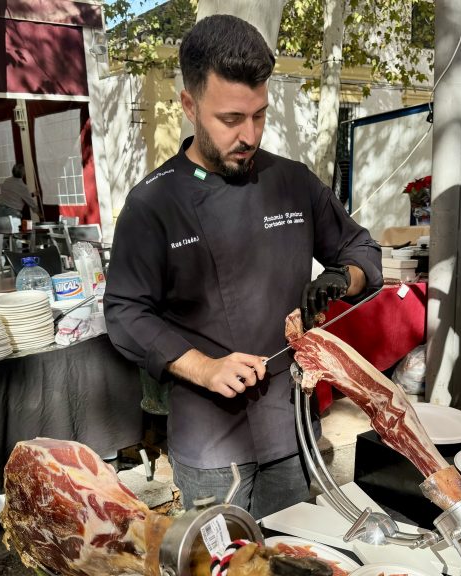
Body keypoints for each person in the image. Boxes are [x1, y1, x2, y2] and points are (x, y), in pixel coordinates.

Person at [103, 15, 382, 519]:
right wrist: (205, 369)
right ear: (189, 105)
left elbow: (362, 250)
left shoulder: (293, 183)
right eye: (230, 119)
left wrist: (344, 279)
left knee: (292, 557)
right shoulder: (153, 204)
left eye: (259, 115)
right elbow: (126, 313)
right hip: (211, 444)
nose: (249, 134)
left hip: (293, 427)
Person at [0, 163, 40, 232]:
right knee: (14, 235)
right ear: (23, 174)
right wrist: (39, 214)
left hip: (0, 210)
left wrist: (33, 194)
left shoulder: (7, 181)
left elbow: (15, 195)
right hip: (12, 212)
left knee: (2, 235)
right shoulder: (22, 187)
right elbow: (31, 203)